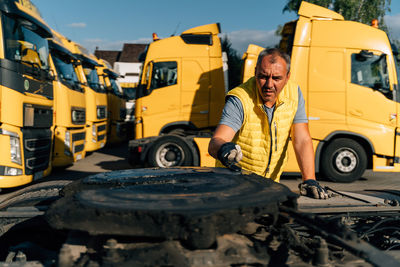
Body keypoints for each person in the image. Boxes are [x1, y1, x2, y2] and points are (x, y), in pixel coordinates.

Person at [208, 48, 330, 199]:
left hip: (269, 187)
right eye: (263, 76)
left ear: (287, 77)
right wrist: (224, 148)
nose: (269, 84)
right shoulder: (240, 99)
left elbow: (302, 139)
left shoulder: (294, 94)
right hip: (233, 189)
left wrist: (310, 179)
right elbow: (215, 142)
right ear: (255, 72)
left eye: (277, 78)